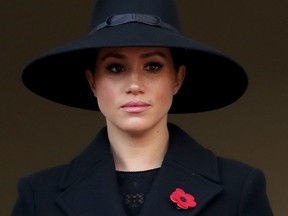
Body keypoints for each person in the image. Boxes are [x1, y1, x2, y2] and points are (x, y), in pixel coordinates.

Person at [12, 0, 273, 215]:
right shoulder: (39, 196)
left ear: (177, 79)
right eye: (115, 68)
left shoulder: (239, 188)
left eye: (153, 66)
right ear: (92, 81)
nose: (134, 84)